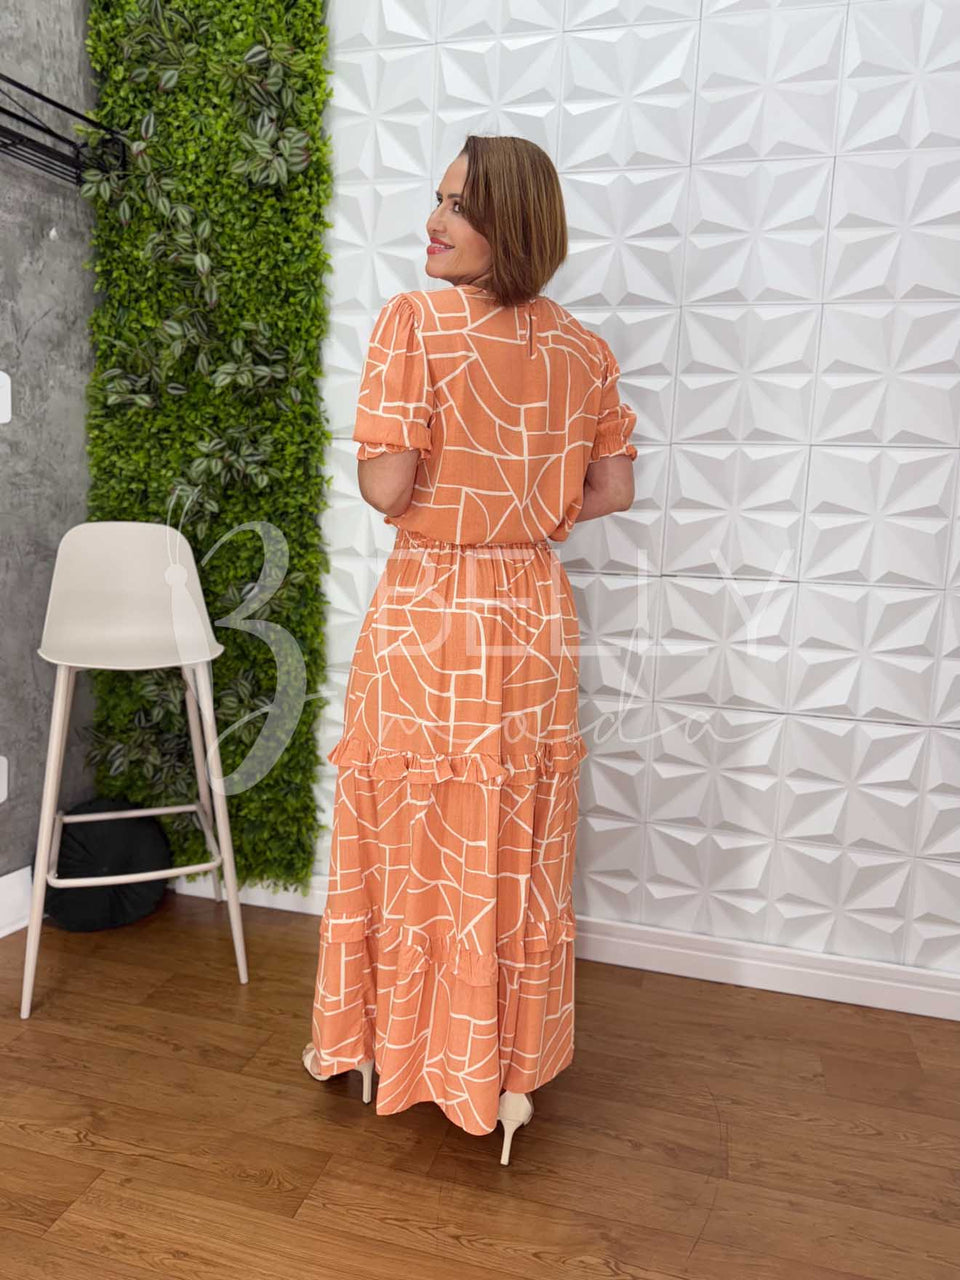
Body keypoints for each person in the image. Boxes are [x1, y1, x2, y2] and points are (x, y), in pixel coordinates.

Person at [302, 134, 638, 1166]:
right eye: (438, 198)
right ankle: (501, 1060)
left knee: (413, 822)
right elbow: (614, 488)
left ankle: (397, 1047)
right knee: (514, 830)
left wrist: (433, 486)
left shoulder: (414, 321)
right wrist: (528, 513)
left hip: (434, 607)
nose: (434, 221)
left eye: (459, 204)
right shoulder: (584, 349)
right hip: (531, 610)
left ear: (512, 222)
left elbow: (388, 487)